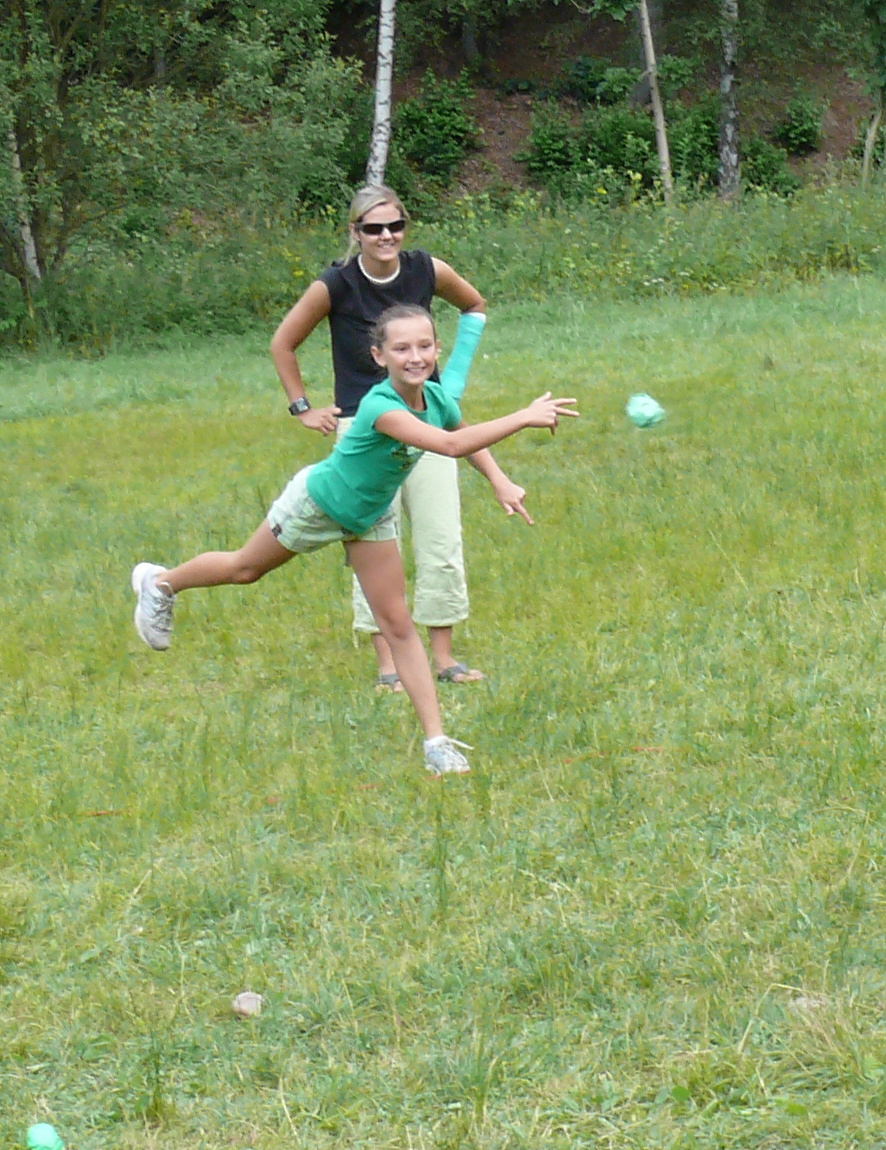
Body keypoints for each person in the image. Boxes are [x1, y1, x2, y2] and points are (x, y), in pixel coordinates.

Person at [133, 303, 573, 774]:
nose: (415, 357)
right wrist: (522, 416)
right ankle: (160, 583)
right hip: (320, 503)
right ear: (379, 356)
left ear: (437, 349)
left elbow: (460, 431)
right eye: (401, 348)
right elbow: (448, 445)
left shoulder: (437, 398)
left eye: (424, 346)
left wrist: (499, 480)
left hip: (370, 516)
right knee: (245, 569)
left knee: (398, 625)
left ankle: (437, 744)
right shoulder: (380, 406)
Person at [271, 186, 495, 690]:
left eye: (395, 226)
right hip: (364, 427)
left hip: (424, 419)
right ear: (356, 233)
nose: (386, 236)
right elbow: (283, 343)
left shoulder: (426, 270)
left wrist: (452, 384)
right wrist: (303, 407)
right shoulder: (336, 283)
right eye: (373, 228)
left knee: (441, 535)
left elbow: (475, 306)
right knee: (373, 542)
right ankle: (388, 665)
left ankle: (445, 657)